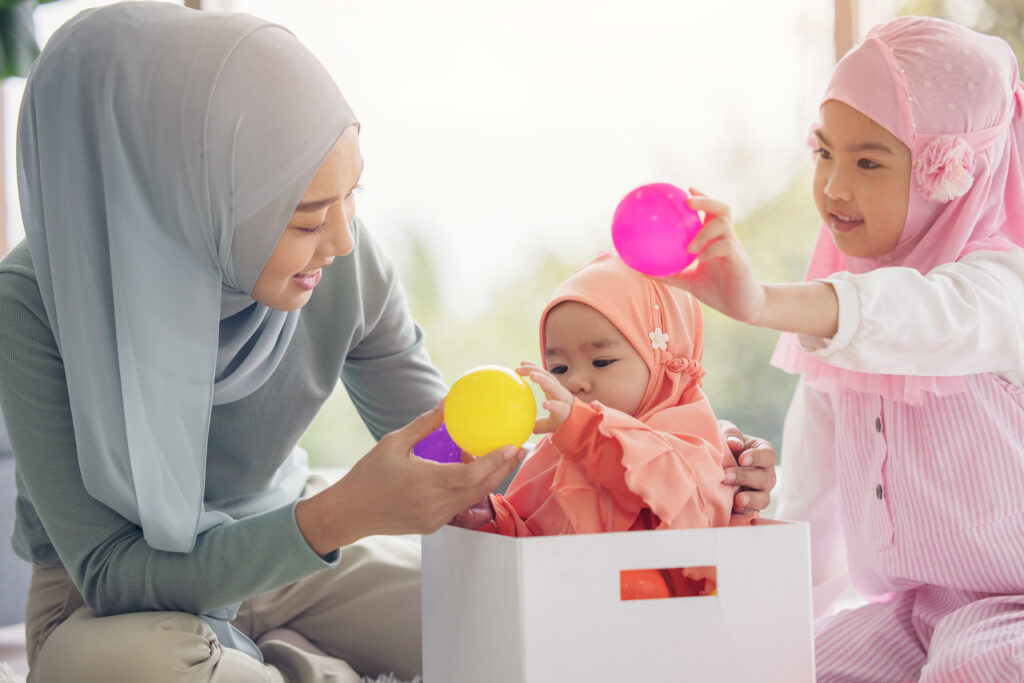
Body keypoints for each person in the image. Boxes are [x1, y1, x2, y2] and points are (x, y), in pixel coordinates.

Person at [0, 4, 777, 683]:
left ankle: (284, 658)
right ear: (186, 195)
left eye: (351, 198)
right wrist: (340, 515)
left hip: (299, 565)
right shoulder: (34, 300)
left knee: (521, 612)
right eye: (306, 217)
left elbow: (459, 457)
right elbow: (111, 574)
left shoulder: (341, 263)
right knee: (137, 668)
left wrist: (685, 452)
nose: (340, 239)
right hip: (114, 605)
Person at [666, 15, 1024, 682]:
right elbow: (811, 511)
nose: (833, 186)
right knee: (802, 668)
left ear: (953, 173)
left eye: (868, 160)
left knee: (978, 668)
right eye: (824, 152)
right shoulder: (838, 327)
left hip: (1013, 611)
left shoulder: (1001, 288)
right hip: (913, 613)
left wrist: (760, 302)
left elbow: (916, 315)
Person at [472, 254, 751, 594]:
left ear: (663, 362)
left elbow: (659, 478)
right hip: (566, 632)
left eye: (601, 361)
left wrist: (585, 431)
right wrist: (487, 518)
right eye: (558, 368)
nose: (575, 382)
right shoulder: (556, 453)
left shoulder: (693, 443)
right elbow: (533, 554)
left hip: (670, 639)